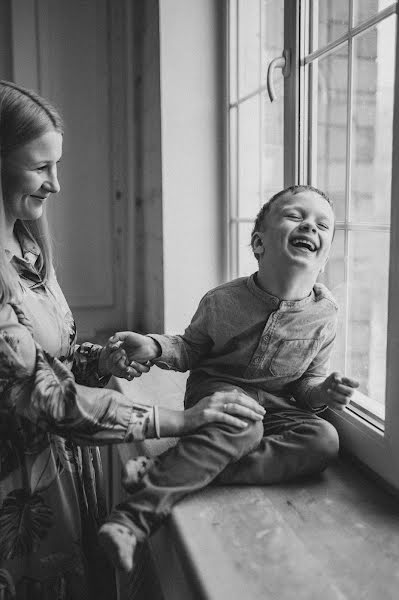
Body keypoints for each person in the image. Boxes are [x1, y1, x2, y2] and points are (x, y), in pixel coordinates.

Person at [0, 80, 265, 600]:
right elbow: (40, 397)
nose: (55, 184)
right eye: (40, 167)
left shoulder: (25, 243)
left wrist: (102, 362)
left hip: (62, 478)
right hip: (16, 498)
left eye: (58, 165)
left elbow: (45, 360)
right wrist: (181, 420)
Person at [98, 184, 359, 572]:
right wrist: (153, 346)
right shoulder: (222, 300)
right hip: (217, 394)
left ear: (323, 259)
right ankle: (132, 518)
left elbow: (305, 388)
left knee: (323, 440)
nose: (310, 226)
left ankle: (179, 467)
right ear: (259, 243)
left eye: (323, 225)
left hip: (277, 405)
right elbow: (189, 348)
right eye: (295, 216)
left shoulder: (326, 315)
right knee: (244, 427)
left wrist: (324, 391)